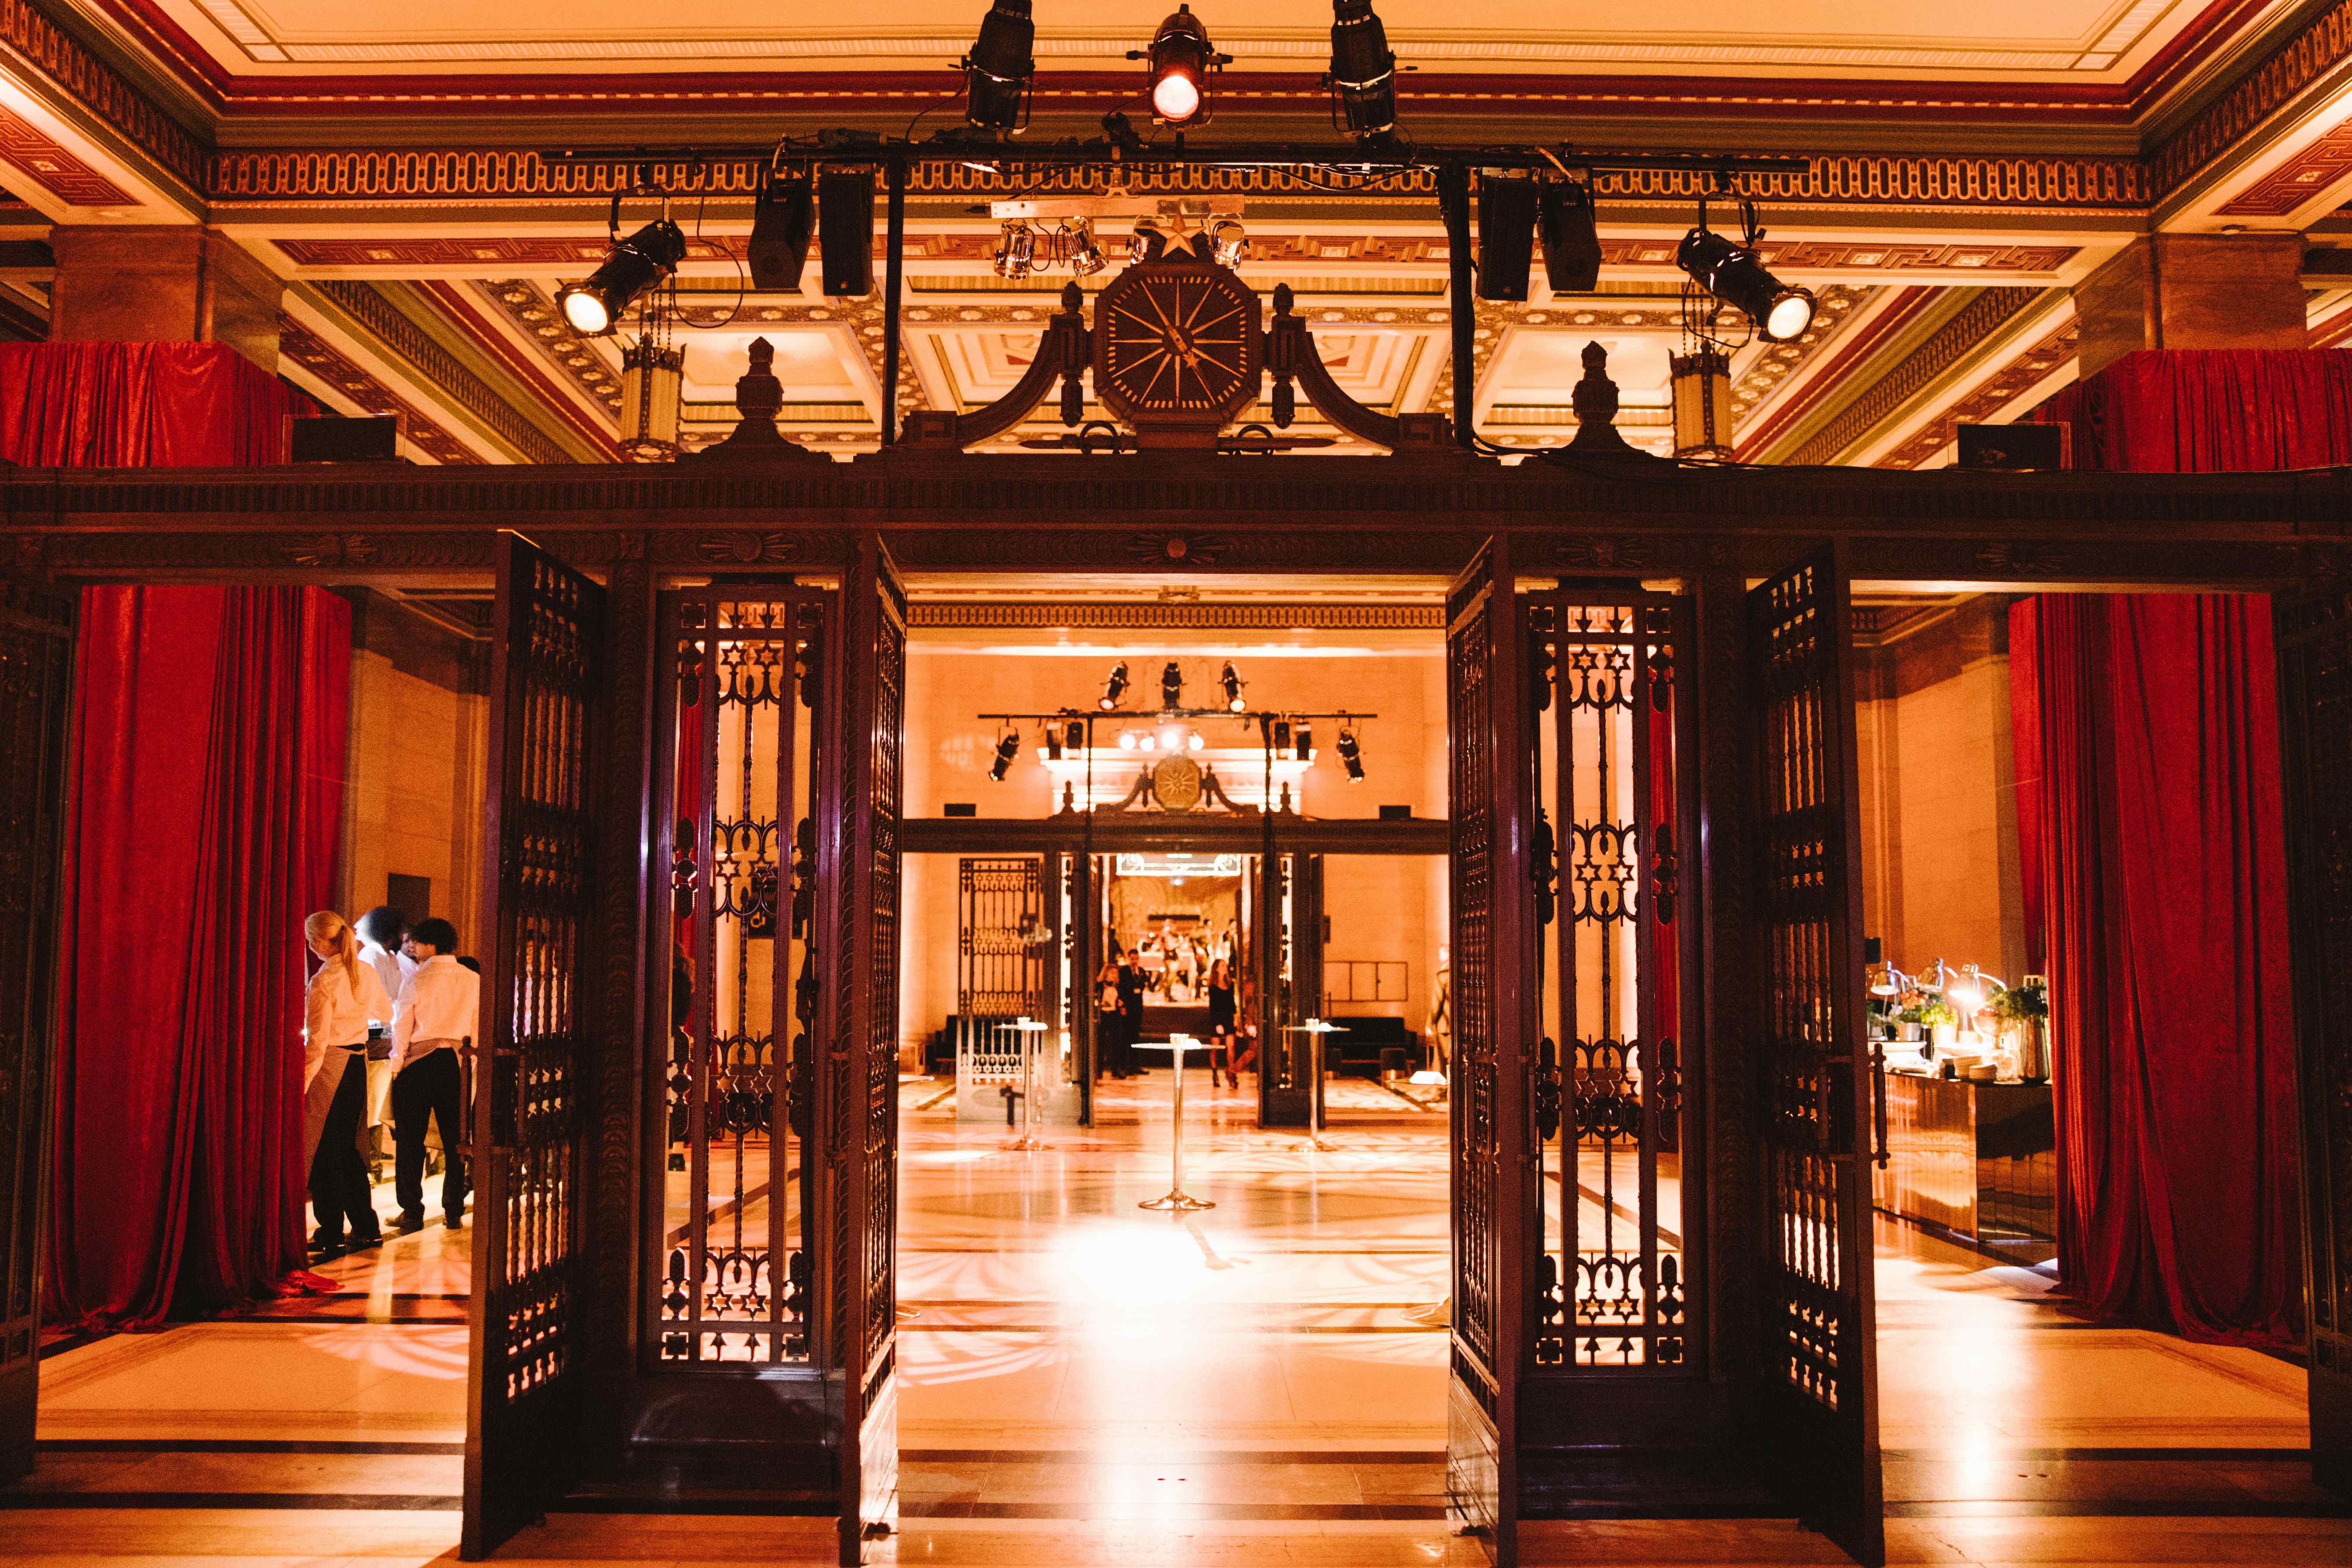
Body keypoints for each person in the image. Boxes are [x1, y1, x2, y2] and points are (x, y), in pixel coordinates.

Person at [303, 910, 391, 1259]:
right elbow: (386, 1012)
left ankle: (331, 1231)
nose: (310, 946)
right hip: (357, 1063)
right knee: (350, 1150)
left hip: (332, 1065)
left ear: (321, 942)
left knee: (326, 1151)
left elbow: (317, 1042)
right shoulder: (365, 972)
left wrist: (303, 1081)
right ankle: (366, 1227)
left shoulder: (324, 981)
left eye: (311, 940)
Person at [390, 915, 477, 1233]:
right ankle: (453, 1208)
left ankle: (412, 1211)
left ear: (431, 944)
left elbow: (402, 1025)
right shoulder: (472, 979)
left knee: (410, 1141)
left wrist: (397, 1064)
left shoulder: (417, 979)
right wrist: (471, 1063)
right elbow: (478, 1024)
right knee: (457, 1139)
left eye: (417, 941)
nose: (413, 947)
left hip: (419, 1061)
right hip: (457, 1061)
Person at [1094, 950, 1129, 1081]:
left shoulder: (1119, 987)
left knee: (1116, 1043)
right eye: (1112, 973)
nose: (1115, 975)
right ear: (1107, 974)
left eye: (1116, 973)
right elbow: (1095, 996)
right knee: (1101, 1044)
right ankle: (1098, 1071)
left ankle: (1116, 1070)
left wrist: (1122, 1005)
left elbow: (1123, 1000)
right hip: (1103, 1016)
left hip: (1114, 1016)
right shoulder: (1100, 986)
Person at [1203, 958, 1237, 1087]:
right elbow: (1214, 1007)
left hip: (1228, 1018)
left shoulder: (1230, 984)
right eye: (1222, 966)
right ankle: (1215, 1072)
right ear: (1217, 969)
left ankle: (1232, 1072)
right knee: (1215, 1047)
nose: (1225, 967)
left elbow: (1232, 1003)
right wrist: (1218, 1024)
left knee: (1231, 1046)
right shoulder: (1213, 987)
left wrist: (1235, 1018)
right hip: (1217, 1019)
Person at [1117, 947, 1147, 1075]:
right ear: (1129, 959)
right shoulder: (1123, 971)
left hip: (1137, 1007)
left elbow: (1142, 986)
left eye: (1136, 959)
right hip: (1127, 1006)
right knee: (1125, 1036)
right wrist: (1122, 1005)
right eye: (1132, 959)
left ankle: (1135, 1065)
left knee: (1135, 1036)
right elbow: (1121, 988)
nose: (1134, 961)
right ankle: (1124, 1066)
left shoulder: (1141, 972)